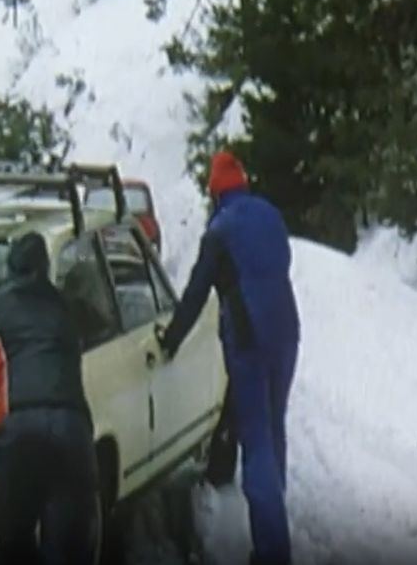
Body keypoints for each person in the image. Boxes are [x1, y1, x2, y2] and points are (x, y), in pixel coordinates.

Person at [158, 150, 300, 565]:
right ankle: (275, 523)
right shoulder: (271, 215)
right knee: (274, 426)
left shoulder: (219, 232)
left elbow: (195, 294)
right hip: (287, 331)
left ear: (216, 193)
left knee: (255, 438)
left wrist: (170, 340)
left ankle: (272, 550)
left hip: (249, 339)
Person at [0, 232, 98, 565]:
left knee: (14, 544)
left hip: (18, 433)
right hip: (71, 431)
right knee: (69, 548)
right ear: (45, 268)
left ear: (10, 269)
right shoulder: (66, 306)